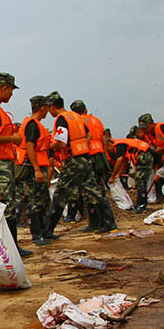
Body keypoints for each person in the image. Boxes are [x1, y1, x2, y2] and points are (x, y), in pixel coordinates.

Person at [43, 92, 117, 238]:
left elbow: (61, 143)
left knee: (60, 194)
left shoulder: (62, 119)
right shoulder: (76, 117)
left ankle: (48, 230)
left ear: (52, 106)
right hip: (85, 159)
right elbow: (88, 136)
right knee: (94, 191)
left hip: (73, 161)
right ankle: (110, 223)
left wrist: (50, 146)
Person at [0, 72, 31, 256]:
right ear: (5, 88)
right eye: (11, 91)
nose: (11, 95)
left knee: (7, 204)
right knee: (3, 205)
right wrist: (12, 138)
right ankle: (9, 248)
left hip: (3, 163)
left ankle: (12, 247)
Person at [15, 95, 53, 245]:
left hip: (40, 166)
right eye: (47, 108)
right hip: (33, 168)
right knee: (35, 202)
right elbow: (30, 146)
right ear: (43, 108)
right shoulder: (32, 125)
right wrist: (37, 169)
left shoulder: (36, 124)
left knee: (44, 200)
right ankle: (37, 235)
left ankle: (44, 231)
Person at [70, 99, 110, 231]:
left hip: (88, 155)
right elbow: (104, 139)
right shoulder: (96, 120)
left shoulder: (78, 122)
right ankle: (104, 221)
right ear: (85, 109)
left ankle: (95, 223)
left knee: (89, 191)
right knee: (100, 188)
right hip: (100, 156)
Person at [108, 135, 158, 212]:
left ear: (110, 144)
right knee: (140, 181)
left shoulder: (118, 145)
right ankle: (140, 204)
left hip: (143, 156)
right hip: (144, 156)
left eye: (108, 149)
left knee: (140, 181)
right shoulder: (123, 145)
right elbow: (125, 161)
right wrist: (118, 174)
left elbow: (119, 160)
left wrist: (113, 176)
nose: (110, 152)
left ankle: (141, 206)